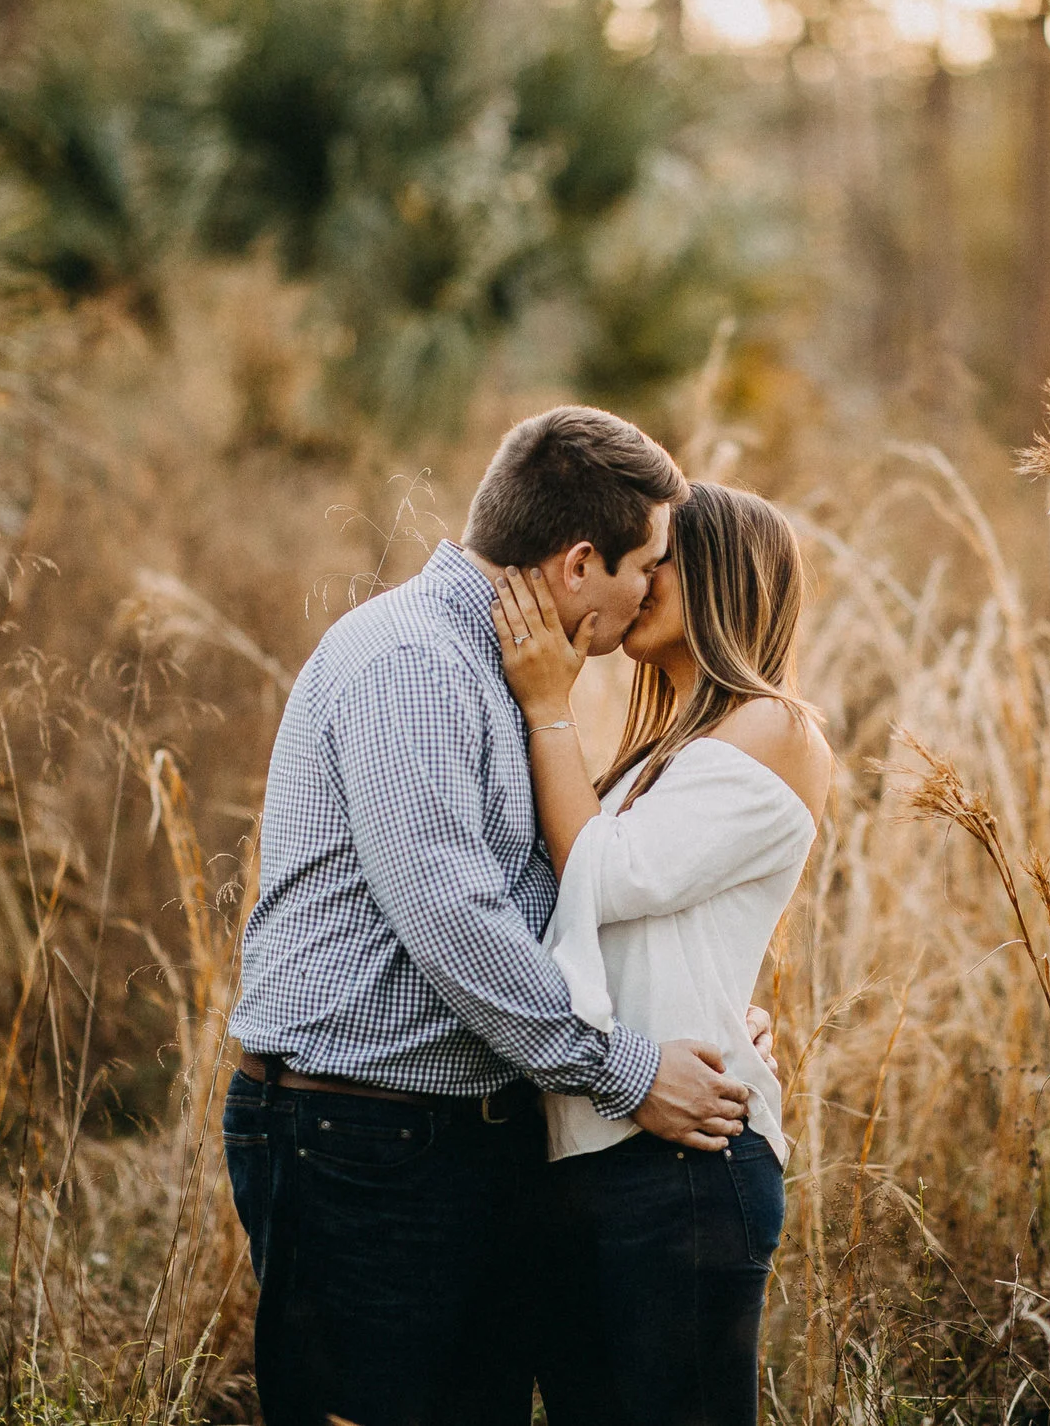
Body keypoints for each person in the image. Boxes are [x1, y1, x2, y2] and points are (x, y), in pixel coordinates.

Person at [224, 406, 763, 1426]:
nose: (657, 588)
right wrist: (626, 1068)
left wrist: (695, 1009)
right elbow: (455, 923)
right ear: (576, 564)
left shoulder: (512, 674)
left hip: (462, 1139)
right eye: (645, 564)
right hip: (362, 1139)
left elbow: (559, 900)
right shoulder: (413, 664)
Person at [488, 480, 833, 1426]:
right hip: (596, 1143)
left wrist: (547, 703)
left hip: (681, 1166)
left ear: (721, 574)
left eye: (659, 558)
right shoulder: (649, 757)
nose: (638, 579)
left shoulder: (777, 725)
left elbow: (617, 875)